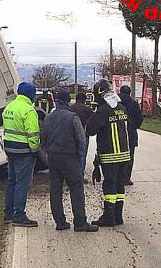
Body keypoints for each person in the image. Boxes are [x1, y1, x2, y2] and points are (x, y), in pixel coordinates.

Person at [41, 91, 98, 232]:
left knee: (55, 189)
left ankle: (60, 221)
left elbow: (43, 137)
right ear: (67, 102)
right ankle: (80, 222)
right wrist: (80, 155)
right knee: (76, 188)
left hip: (53, 157)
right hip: (69, 156)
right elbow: (81, 138)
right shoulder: (72, 117)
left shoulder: (48, 118)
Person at [86, 79, 131, 227]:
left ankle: (108, 216)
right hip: (124, 154)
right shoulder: (122, 108)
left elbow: (91, 130)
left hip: (110, 155)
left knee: (109, 186)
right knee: (119, 185)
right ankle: (118, 216)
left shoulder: (103, 111)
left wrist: (93, 114)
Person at [3, 82, 40, 227]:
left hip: (10, 149)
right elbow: (33, 134)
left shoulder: (9, 107)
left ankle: (8, 213)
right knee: (22, 184)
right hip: (23, 151)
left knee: (11, 181)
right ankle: (19, 215)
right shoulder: (28, 110)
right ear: (30, 94)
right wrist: (35, 150)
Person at [118, 85, 143, 185]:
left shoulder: (115, 102)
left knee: (117, 155)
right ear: (129, 92)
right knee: (129, 156)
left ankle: (117, 176)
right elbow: (140, 118)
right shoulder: (134, 104)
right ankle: (126, 178)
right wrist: (134, 127)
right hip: (131, 132)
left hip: (117, 131)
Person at [70, 92, 93, 178]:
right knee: (82, 155)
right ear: (84, 100)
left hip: (72, 135)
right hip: (84, 134)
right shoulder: (88, 109)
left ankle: (72, 174)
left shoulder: (70, 108)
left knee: (73, 155)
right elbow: (93, 121)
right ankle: (80, 175)